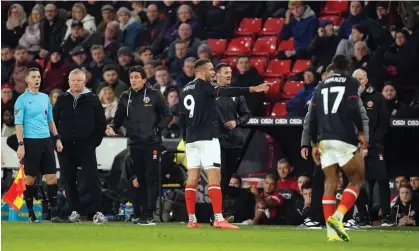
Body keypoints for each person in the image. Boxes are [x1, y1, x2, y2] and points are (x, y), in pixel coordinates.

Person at [178, 58, 270, 229]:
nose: (213, 72)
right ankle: (219, 218)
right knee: (215, 178)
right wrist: (253, 89)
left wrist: (185, 138)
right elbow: (228, 91)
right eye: (211, 69)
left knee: (192, 178)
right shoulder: (205, 86)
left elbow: (182, 117)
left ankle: (192, 220)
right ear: (200, 71)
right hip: (208, 138)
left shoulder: (185, 89)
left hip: (191, 140)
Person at [300, 64, 369, 229]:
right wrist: (306, 142)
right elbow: (310, 120)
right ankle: (328, 218)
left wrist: (313, 144)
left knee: (331, 183)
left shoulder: (320, 90)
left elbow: (311, 119)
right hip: (344, 142)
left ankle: (342, 222)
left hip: (325, 143)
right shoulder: (346, 90)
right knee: (348, 180)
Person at [106, 66, 173, 225]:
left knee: (151, 178)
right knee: (137, 179)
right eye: (131, 77)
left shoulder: (154, 95)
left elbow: (168, 115)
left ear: (144, 79)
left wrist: (157, 129)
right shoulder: (125, 96)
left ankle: (149, 214)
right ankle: (138, 213)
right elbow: (118, 118)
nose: (134, 80)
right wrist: (112, 128)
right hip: (134, 143)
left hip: (152, 143)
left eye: (137, 77)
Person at [53, 68, 107, 224]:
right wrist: (56, 141)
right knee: (68, 180)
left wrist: (93, 143)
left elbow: (101, 124)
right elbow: (53, 123)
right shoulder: (62, 99)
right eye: (73, 80)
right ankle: (74, 211)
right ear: (69, 82)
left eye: (79, 80)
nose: (76, 83)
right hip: (65, 147)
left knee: (92, 179)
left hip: (86, 146)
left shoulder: (93, 99)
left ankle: (97, 212)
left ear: (85, 81)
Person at [14, 67, 63, 223]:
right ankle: (30, 213)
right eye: (34, 77)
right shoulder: (21, 100)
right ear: (27, 80)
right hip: (30, 141)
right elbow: (18, 124)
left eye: (39, 77)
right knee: (30, 178)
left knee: (52, 176)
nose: (37, 79)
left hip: (46, 140)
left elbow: (50, 120)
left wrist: (56, 138)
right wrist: (21, 144)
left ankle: (54, 213)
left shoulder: (44, 98)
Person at [352, 69, 392, 226]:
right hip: (355, 149)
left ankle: (387, 217)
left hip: (375, 146)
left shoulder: (377, 98)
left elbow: (384, 123)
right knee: (358, 183)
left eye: (361, 79)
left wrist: (370, 143)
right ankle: (363, 217)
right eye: (356, 79)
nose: (359, 82)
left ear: (366, 80)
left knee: (382, 180)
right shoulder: (349, 99)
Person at [214, 63, 251, 191]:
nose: (229, 75)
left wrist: (237, 122)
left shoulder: (237, 94)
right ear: (217, 75)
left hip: (235, 141)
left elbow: (246, 114)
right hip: (216, 142)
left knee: (227, 179)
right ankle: (217, 209)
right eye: (226, 73)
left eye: (230, 72)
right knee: (217, 178)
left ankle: (222, 208)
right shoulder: (209, 94)